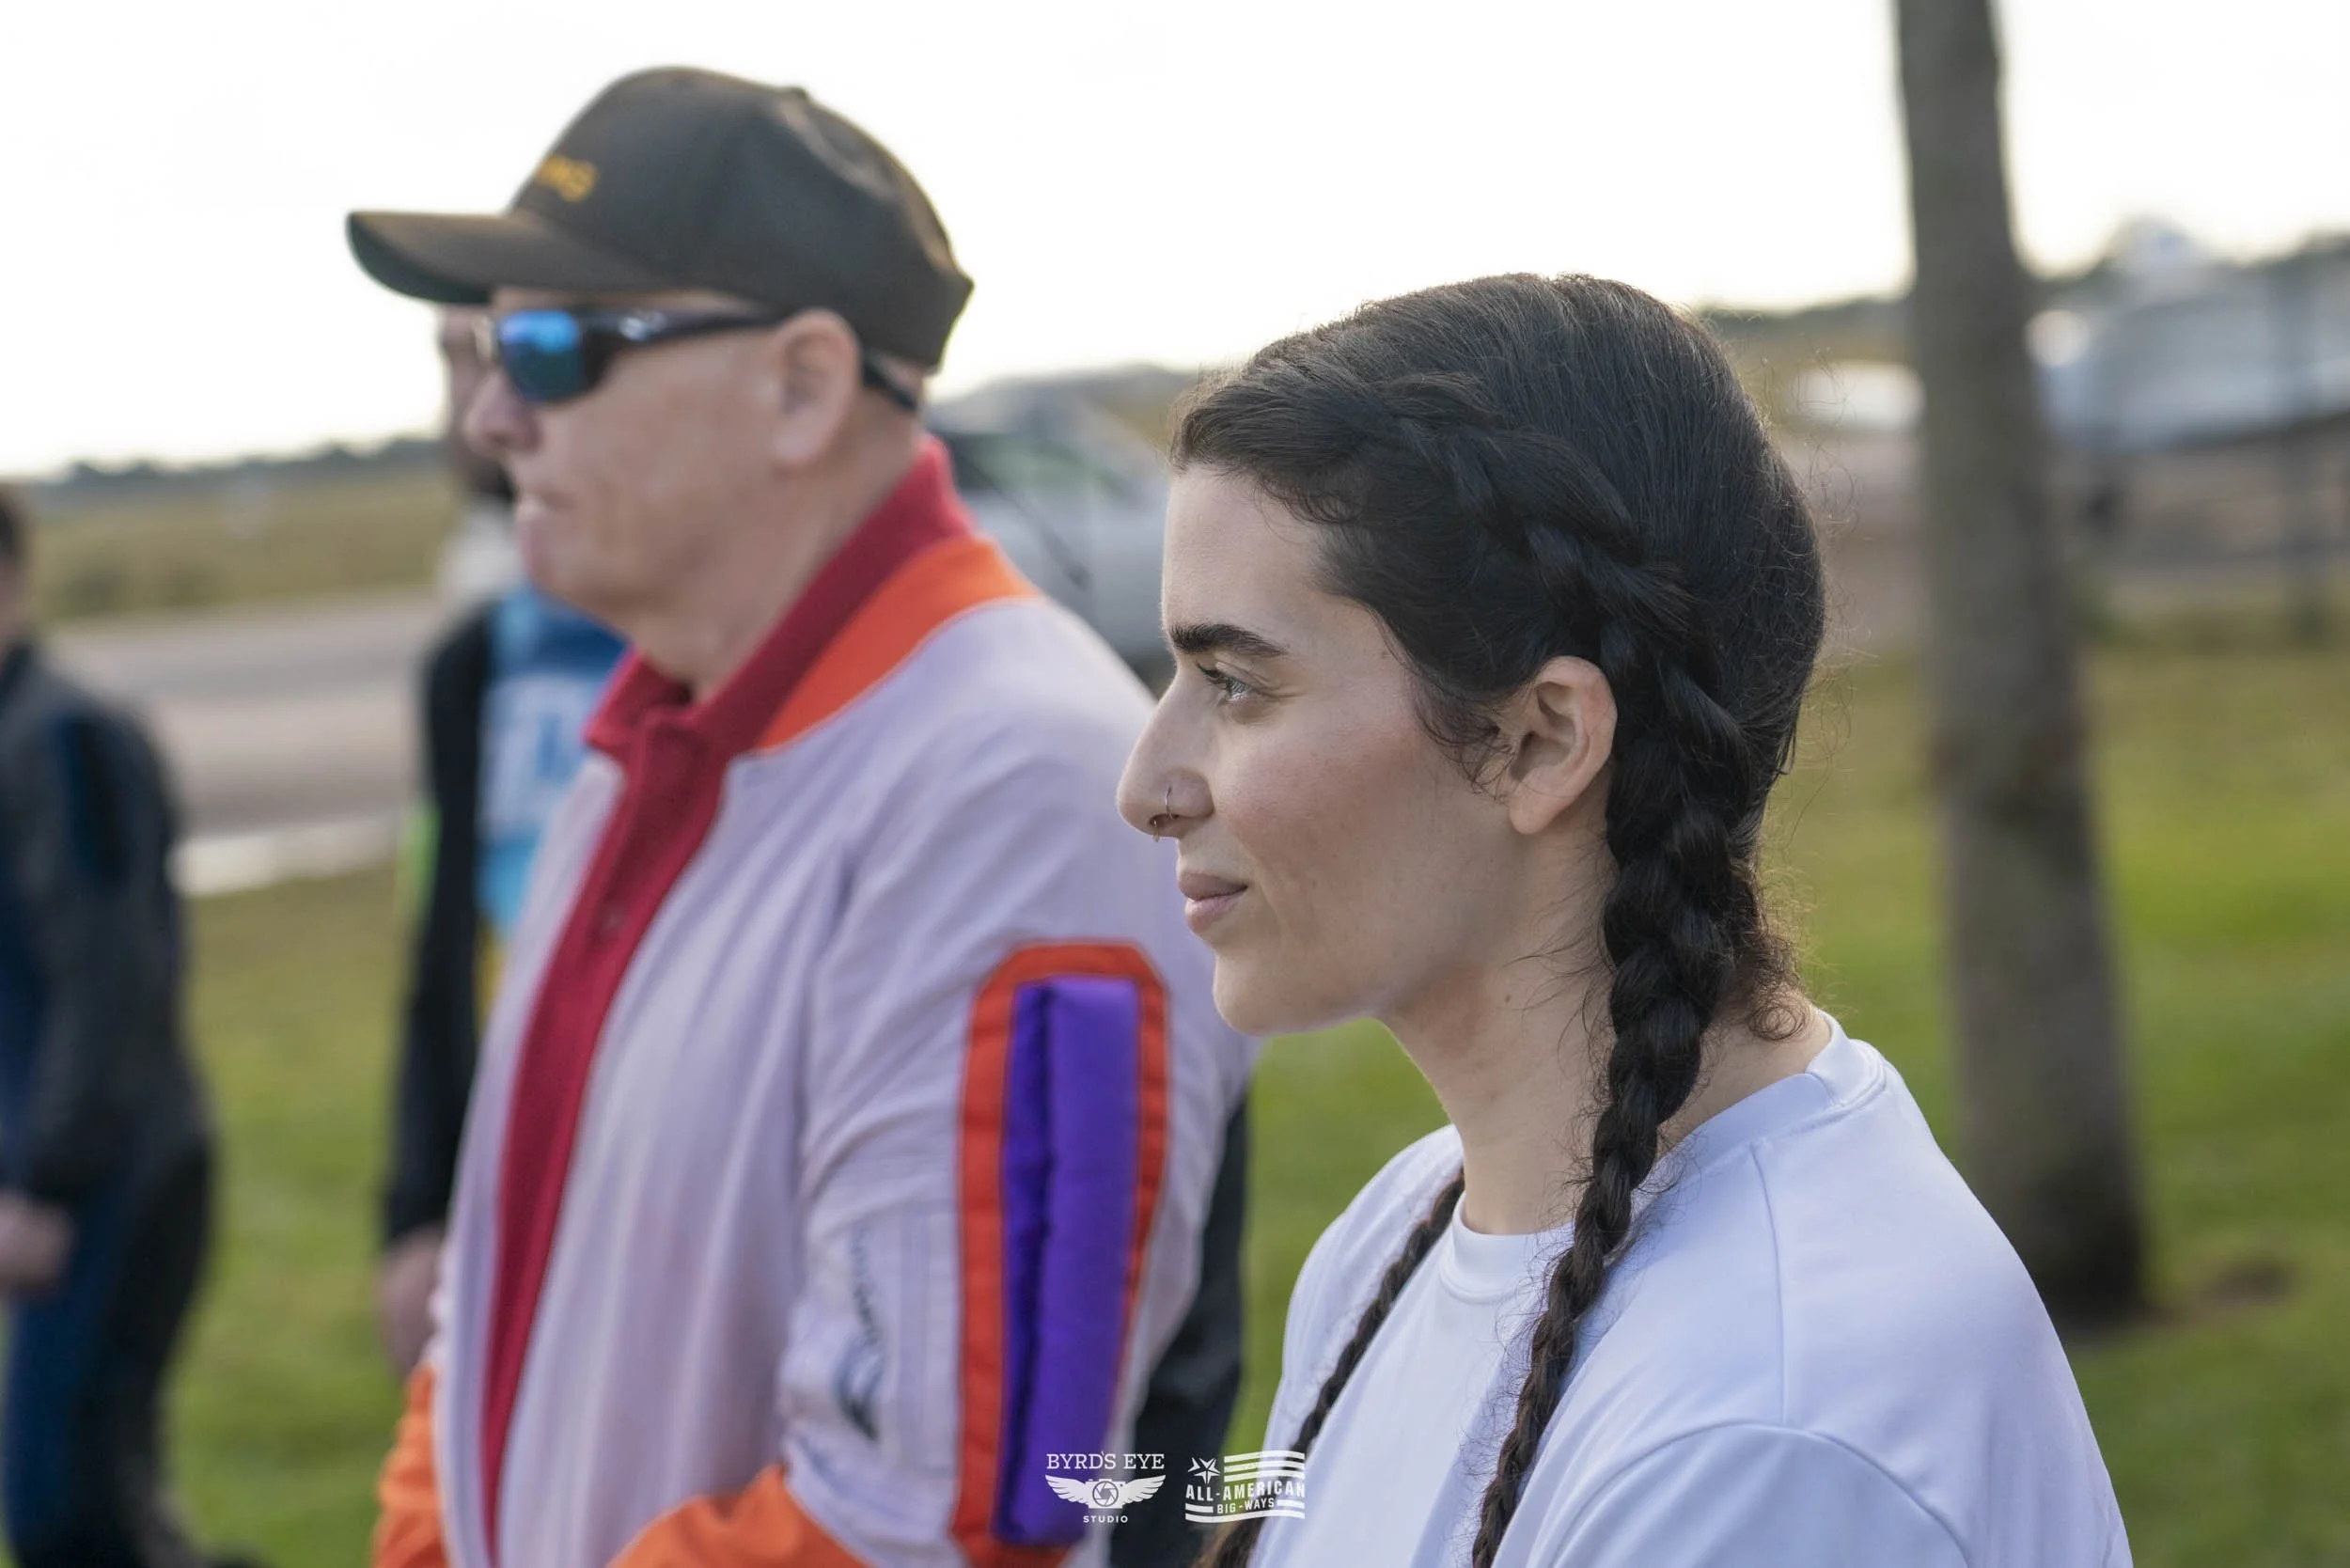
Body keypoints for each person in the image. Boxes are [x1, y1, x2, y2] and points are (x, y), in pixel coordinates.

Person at [347, 68, 1253, 1568]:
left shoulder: (1015, 793)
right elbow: (495, 1304)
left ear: (805, 387)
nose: (495, 417)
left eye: (553, 348)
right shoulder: (646, 745)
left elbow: (931, 1522)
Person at [1118, 275, 2131, 1567]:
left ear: (1541, 742)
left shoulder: (1767, 1433)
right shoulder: (1410, 1224)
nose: (1145, 782)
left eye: (1232, 681)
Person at [377, 308, 626, 1379]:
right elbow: (441, 946)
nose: (478, 411)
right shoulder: (468, 666)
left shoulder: (705, 640)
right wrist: (414, 1211)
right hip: (508, 1169)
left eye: (506, 357)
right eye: (452, 369)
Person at [0, 489, 233, 1568]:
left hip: (113, 1181)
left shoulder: (63, 740)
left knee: (70, 1511)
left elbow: (109, 985)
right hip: (73, 1180)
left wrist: (47, 1182)